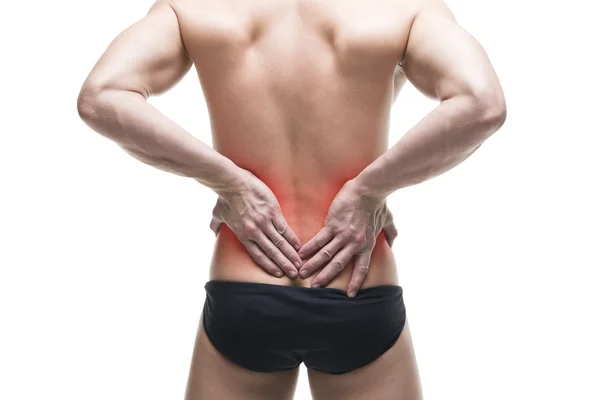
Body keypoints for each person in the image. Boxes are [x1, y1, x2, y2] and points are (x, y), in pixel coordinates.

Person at [76, 0, 506, 398]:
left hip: (246, 283)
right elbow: (481, 103)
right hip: (355, 285)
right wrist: (369, 189)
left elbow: (103, 96)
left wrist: (230, 183)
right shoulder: (400, 6)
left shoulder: (193, 5)